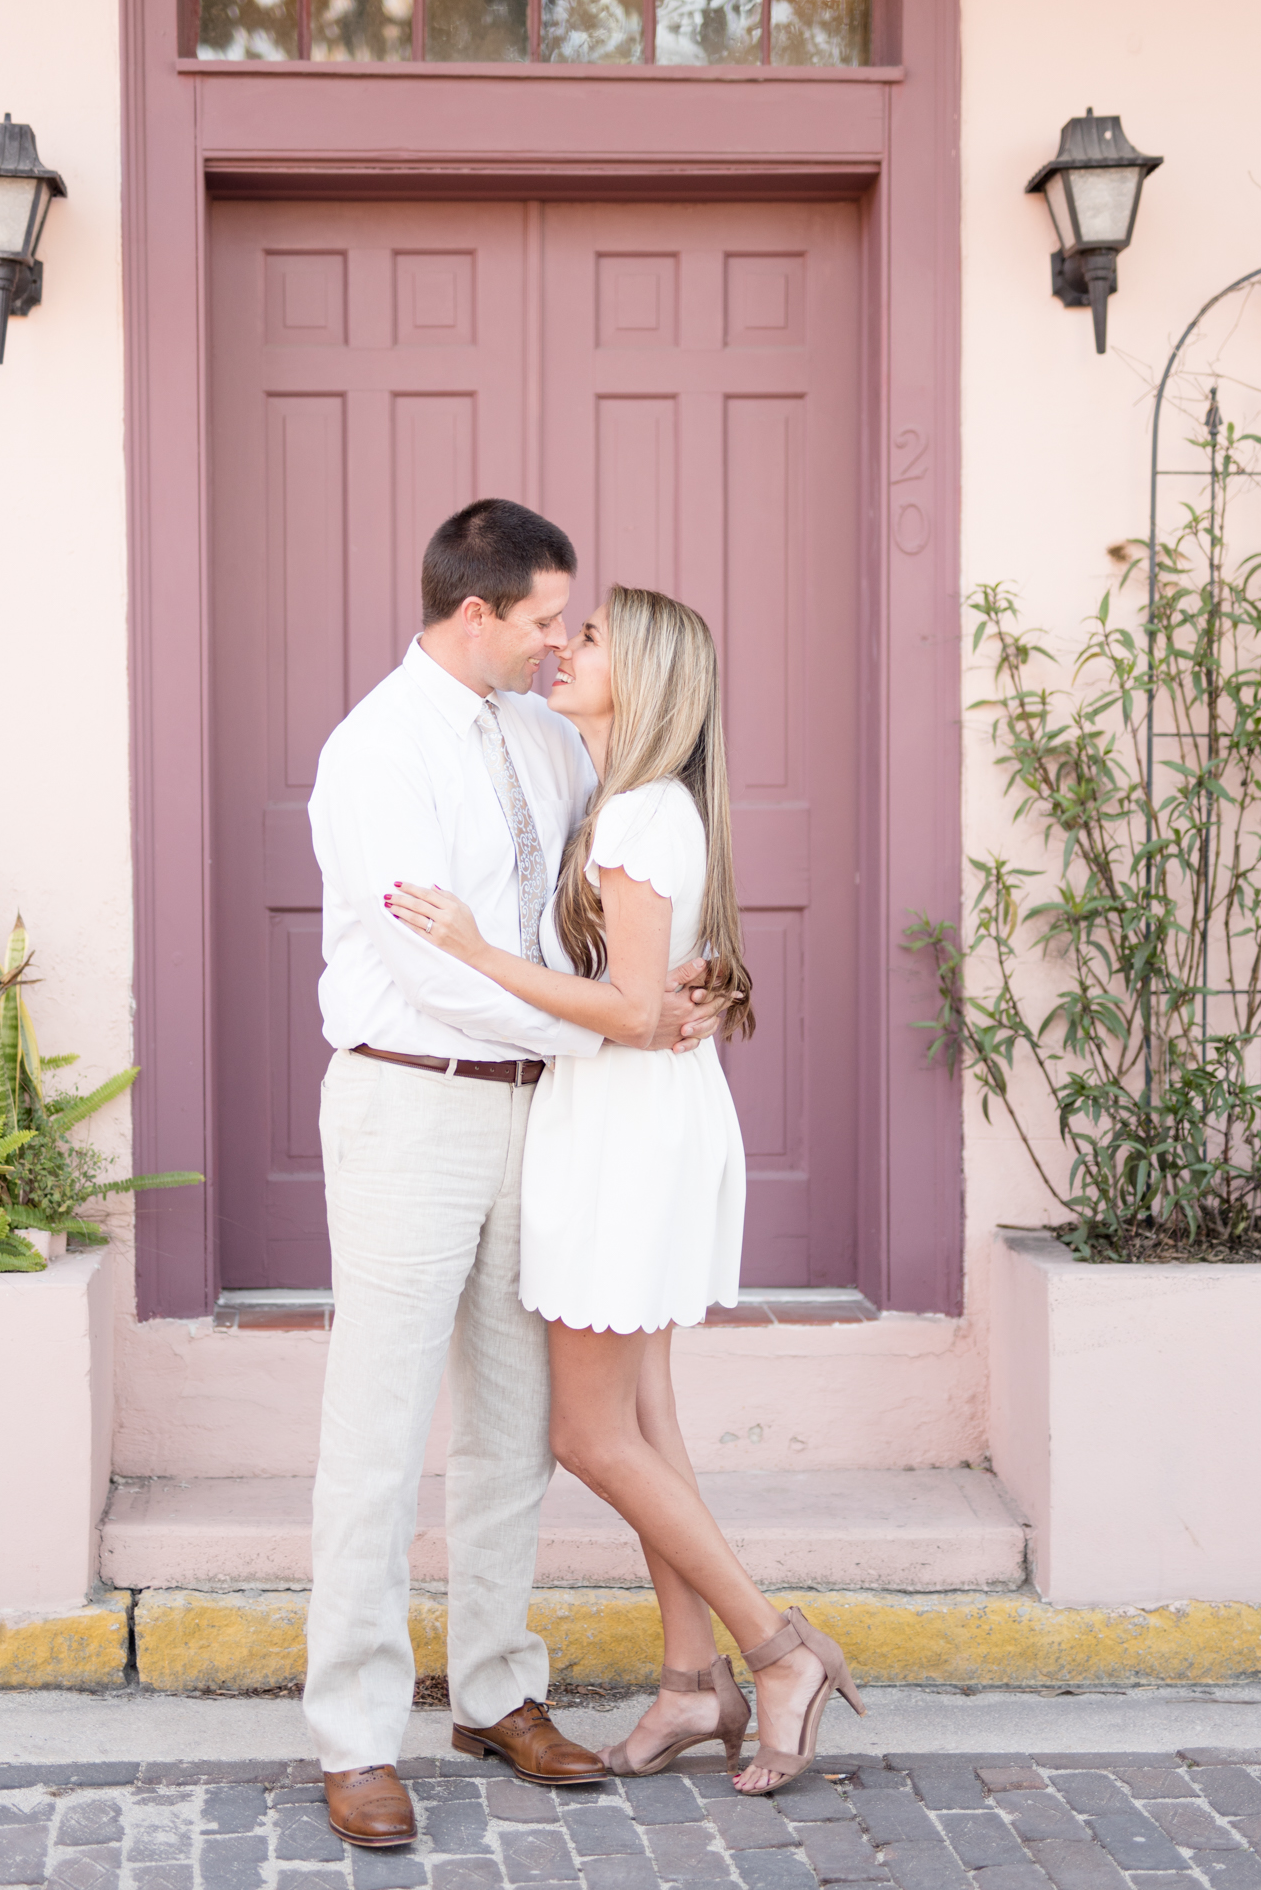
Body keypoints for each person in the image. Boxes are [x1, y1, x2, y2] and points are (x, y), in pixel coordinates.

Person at [386, 584, 866, 1797]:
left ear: (640, 676)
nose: (564, 648)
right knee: (644, 1420)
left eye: (588, 638)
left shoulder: (634, 814)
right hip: (628, 1116)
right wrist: (658, 995)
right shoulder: (630, 803)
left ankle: (775, 1648)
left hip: (623, 1132)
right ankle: (689, 1681)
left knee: (587, 1430)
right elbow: (650, 995)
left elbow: (623, 1006)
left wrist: (473, 949)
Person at [305, 506, 730, 1847]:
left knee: (513, 1422)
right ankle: (357, 1733)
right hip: (409, 1103)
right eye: (545, 618)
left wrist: (680, 992)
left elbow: (610, 928)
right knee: (377, 1430)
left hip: (547, 1115)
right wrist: (617, 1023)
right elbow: (439, 963)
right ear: (473, 612)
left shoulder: (553, 742)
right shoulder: (372, 752)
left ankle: (495, 1688)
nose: (561, 641)